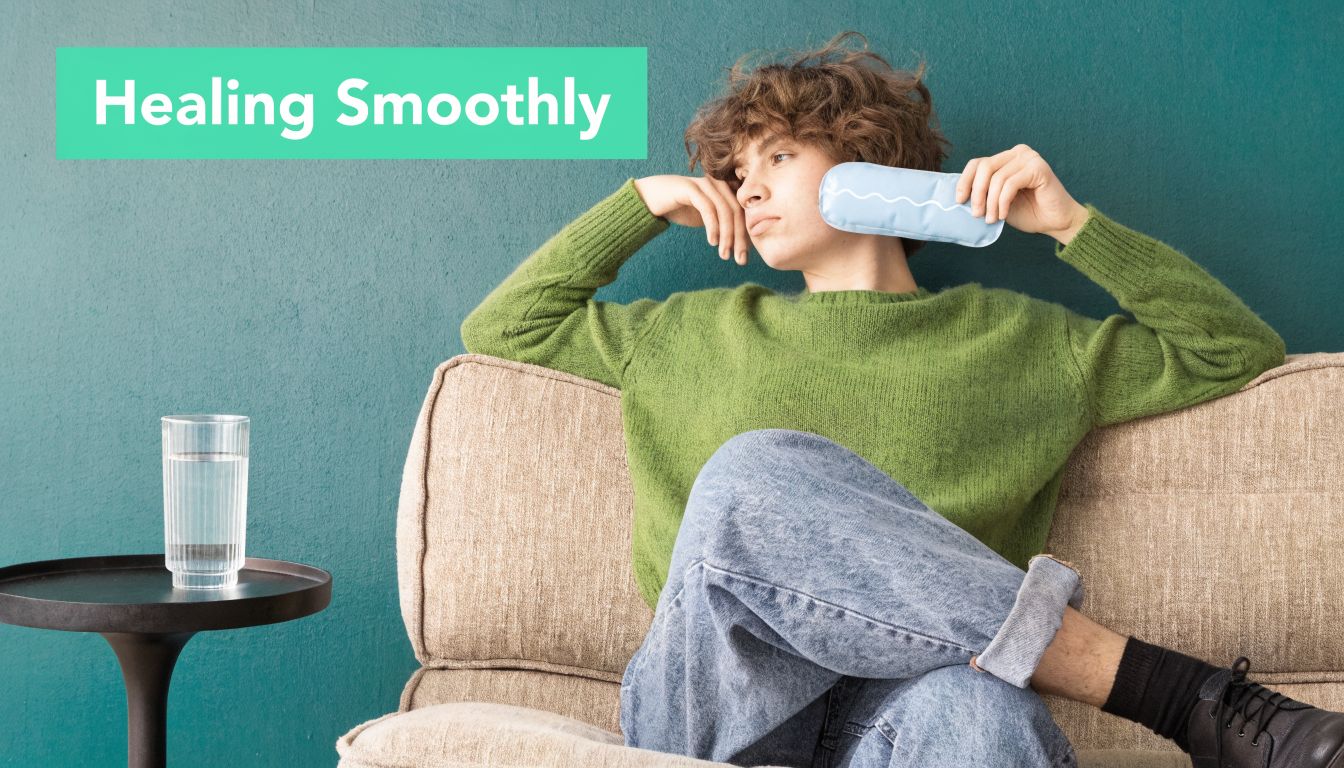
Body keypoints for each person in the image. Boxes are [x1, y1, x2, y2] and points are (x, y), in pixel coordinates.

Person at [459, 30, 1343, 768]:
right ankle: (1178, 695)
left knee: (984, 716)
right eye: (736, 170)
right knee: (754, 473)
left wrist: (1074, 227)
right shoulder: (687, 332)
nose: (748, 186)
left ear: (868, 162)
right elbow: (504, 329)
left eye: (779, 155)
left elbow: (1232, 351)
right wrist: (639, 207)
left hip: (908, 713)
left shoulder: (1023, 342)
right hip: (715, 714)